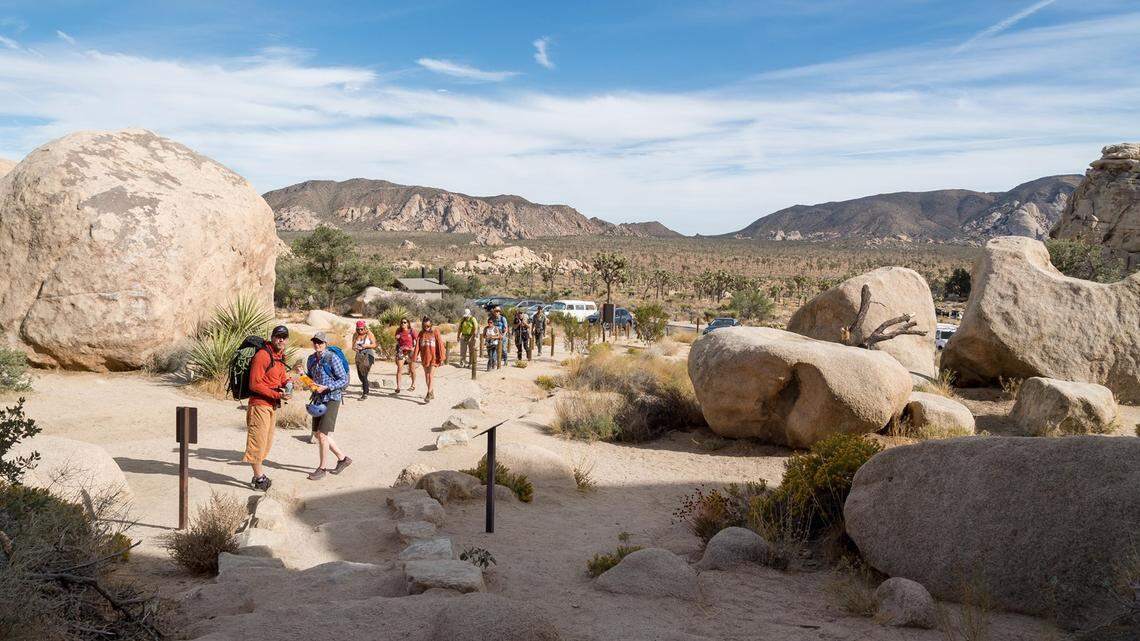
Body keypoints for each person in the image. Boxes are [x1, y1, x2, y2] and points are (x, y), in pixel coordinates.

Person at [244, 325, 291, 491]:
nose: (281, 339)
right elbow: (254, 384)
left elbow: (282, 378)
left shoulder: (279, 357)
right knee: (257, 442)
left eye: (284, 337)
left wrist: (289, 383)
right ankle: (258, 478)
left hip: (271, 405)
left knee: (266, 442)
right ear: (272, 337)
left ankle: (257, 475)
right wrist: (277, 395)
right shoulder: (263, 355)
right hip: (259, 405)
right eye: (278, 336)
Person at [305, 332, 352, 480]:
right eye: (315, 342)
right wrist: (302, 376)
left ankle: (322, 468)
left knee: (323, 435)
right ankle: (343, 459)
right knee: (319, 434)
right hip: (318, 399)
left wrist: (327, 387)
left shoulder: (332, 358)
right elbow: (312, 381)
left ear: (326, 343)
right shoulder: (311, 359)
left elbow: (344, 380)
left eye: (320, 342)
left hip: (332, 398)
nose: (317, 344)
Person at [416, 316, 445, 403]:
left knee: (431, 375)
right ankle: (431, 391)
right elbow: (417, 345)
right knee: (427, 376)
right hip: (425, 357)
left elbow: (440, 344)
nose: (426, 328)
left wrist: (442, 357)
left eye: (428, 326)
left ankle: (428, 393)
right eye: (425, 326)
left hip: (434, 357)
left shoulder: (435, 331)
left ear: (431, 325)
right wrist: (415, 356)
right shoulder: (421, 333)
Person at [351, 320, 377, 400]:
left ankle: (365, 393)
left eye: (361, 329)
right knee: (360, 375)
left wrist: (366, 346)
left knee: (364, 373)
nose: (360, 331)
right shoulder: (355, 335)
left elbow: (374, 345)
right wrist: (356, 348)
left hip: (368, 354)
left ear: (365, 328)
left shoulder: (369, 334)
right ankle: (366, 385)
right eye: (358, 329)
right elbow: (353, 346)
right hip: (359, 355)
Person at [394, 318, 417, 394]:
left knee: (412, 369)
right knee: (399, 368)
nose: (403, 324)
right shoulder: (398, 331)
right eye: (402, 322)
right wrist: (397, 338)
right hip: (401, 351)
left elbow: (417, 341)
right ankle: (398, 387)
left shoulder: (411, 331)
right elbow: (397, 340)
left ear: (408, 323)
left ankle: (413, 384)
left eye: (404, 322)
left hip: (410, 352)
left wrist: (413, 349)